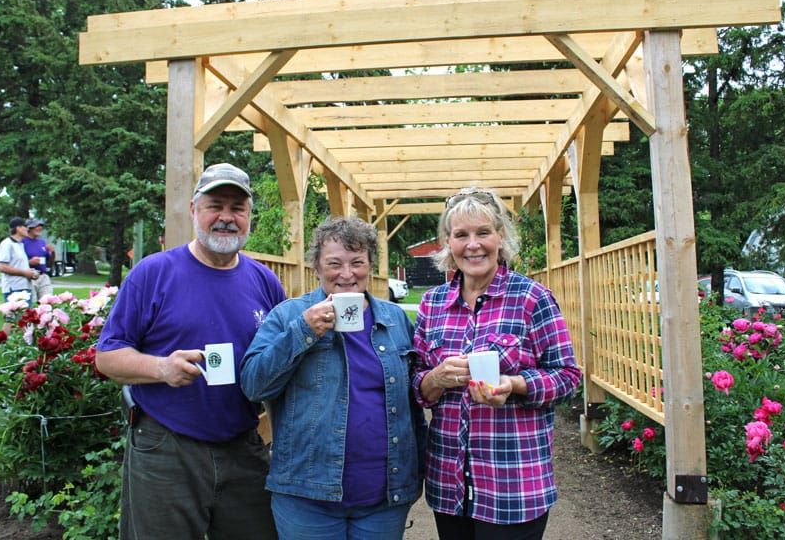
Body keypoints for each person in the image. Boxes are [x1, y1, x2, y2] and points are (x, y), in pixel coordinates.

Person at [95, 163, 286, 540]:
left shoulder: (264, 281)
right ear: (193, 210)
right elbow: (106, 356)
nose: (226, 218)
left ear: (249, 217)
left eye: (237, 208)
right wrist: (162, 368)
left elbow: (280, 365)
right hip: (168, 447)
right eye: (216, 205)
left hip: (244, 447)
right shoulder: (154, 273)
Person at [241, 216, 426, 540]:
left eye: (357, 262)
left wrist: (415, 473)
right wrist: (302, 332)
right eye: (334, 263)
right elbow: (254, 385)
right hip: (306, 497)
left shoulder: (395, 319)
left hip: (383, 498)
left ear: (370, 265)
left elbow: (413, 404)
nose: (346, 274)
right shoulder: (288, 315)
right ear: (316, 266)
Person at [412, 187, 581, 540]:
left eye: (483, 233)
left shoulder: (532, 298)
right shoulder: (432, 304)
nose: (473, 245)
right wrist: (437, 378)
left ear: (500, 237)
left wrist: (515, 385)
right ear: (448, 242)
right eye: (461, 235)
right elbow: (416, 384)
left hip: (513, 484)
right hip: (449, 485)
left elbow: (567, 377)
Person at [0, 217, 39, 303]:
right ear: (18, 228)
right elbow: (2, 267)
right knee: (15, 316)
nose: (27, 229)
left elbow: (18, 265)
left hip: (25, 287)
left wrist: (32, 273)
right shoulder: (7, 244)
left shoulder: (20, 245)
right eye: (25, 226)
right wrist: (25, 273)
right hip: (14, 289)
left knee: (26, 316)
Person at [22, 218, 55, 302]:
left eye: (41, 226)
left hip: (43, 276)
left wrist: (53, 252)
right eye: (37, 226)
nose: (40, 228)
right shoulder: (22, 242)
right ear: (29, 228)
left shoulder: (42, 243)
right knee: (31, 304)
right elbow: (17, 262)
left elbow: (50, 262)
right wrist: (30, 262)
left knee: (48, 302)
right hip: (30, 276)